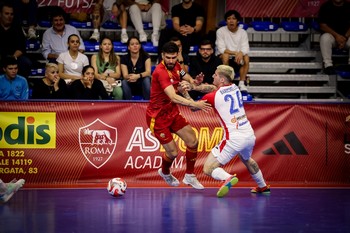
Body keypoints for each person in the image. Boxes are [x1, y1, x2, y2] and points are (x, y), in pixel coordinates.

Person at [180, 65, 269, 197]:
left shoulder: (214, 97)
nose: (212, 76)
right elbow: (212, 88)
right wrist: (194, 86)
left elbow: (194, 107)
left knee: (208, 168)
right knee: (247, 159)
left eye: (215, 75)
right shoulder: (235, 87)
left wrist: (184, 92)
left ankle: (227, 178)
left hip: (233, 138)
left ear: (221, 79)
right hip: (249, 135)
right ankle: (263, 186)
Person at [146, 41, 212, 190]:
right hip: (158, 118)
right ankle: (164, 172)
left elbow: (183, 74)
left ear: (177, 56)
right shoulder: (160, 72)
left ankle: (189, 175)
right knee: (173, 153)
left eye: (173, 57)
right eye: (168, 57)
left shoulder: (176, 65)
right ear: (163, 56)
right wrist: (195, 104)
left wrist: (193, 81)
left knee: (193, 141)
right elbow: (173, 97)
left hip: (172, 113)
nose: (170, 61)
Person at [216, 10, 250, 92]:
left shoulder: (243, 32)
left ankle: (241, 83)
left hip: (238, 58)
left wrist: (241, 53)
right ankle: (227, 83)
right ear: (226, 21)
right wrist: (236, 53)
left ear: (237, 21)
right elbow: (221, 49)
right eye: (228, 19)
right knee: (225, 55)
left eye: (234, 19)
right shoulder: (220, 31)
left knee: (246, 58)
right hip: (223, 57)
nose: (231, 21)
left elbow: (245, 48)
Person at [0, 1, 32, 78]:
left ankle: (21, 84)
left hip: (14, 57)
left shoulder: (17, 28)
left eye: (11, 14)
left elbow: (21, 48)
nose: (9, 16)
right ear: (0, 14)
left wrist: (13, 58)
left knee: (26, 62)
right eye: (6, 14)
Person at [318, 0, 350, 75]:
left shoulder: (349, 6)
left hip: (346, 37)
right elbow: (323, 26)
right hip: (332, 37)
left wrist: (345, 38)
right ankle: (328, 66)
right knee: (324, 37)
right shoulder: (325, 6)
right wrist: (337, 36)